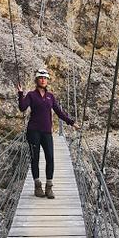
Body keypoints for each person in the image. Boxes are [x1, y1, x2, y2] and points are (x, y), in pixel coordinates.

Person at [17, 68, 80, 199]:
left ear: (47, 81)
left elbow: (59, 112)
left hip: (46, 132)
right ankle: (37, 185)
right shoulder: (31, 95)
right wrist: (20, 93)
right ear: (37, 80)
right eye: (40, 78)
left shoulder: (50, 96)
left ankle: (49, 186)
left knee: (50, 157)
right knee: (35, 158)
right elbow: (22, 107)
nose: (43, 80)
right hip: (33, 131)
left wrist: (71, 122)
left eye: (45, 78)